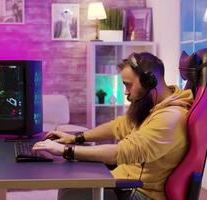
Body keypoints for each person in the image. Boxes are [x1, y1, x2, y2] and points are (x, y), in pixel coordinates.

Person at [33, 52, 193, 200]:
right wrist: (76, 138)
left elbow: (120, 152)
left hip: (141, 192)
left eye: (128, 85)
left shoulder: (170, 118)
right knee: (71, 182)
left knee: (72, 192)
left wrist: (66, 150)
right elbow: (118, 126)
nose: (125, 92)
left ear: (149, 82)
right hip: (124, 180)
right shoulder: (156, 106)